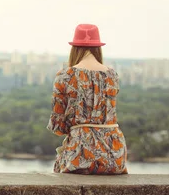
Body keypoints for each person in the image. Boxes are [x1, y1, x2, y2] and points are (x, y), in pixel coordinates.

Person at [47, 23, 128, 174]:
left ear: (74, 48)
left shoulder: (66, 76)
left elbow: (57, 126)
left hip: (81, 153)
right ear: (98, 48)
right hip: (115, 153)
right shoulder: (112, 75)